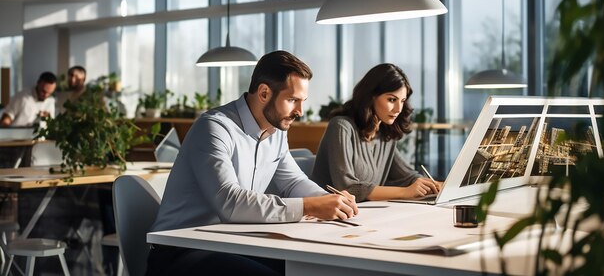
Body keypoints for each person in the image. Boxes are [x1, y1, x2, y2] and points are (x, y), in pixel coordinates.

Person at [148, 51, 359, 276]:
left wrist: (330, 201)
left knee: (319, 267)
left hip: (230, 243)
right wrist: (310, 206)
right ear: (264, 93)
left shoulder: (276, 130)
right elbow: (230, 202)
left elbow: (293, 182)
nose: (300, 111)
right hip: (180, 250)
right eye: (292, 100)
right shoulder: (214, 128)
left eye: (302, 101)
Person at [311, 64, 443, 202]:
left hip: (362, 213)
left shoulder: (385, 134)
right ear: (371, 96)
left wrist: (435, 185)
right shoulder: (341, 127)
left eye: (402, 101)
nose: (398, 108)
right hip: (323, 216)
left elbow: (407, 177)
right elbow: (348, 188)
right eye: (392, 99)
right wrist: (405, 192)